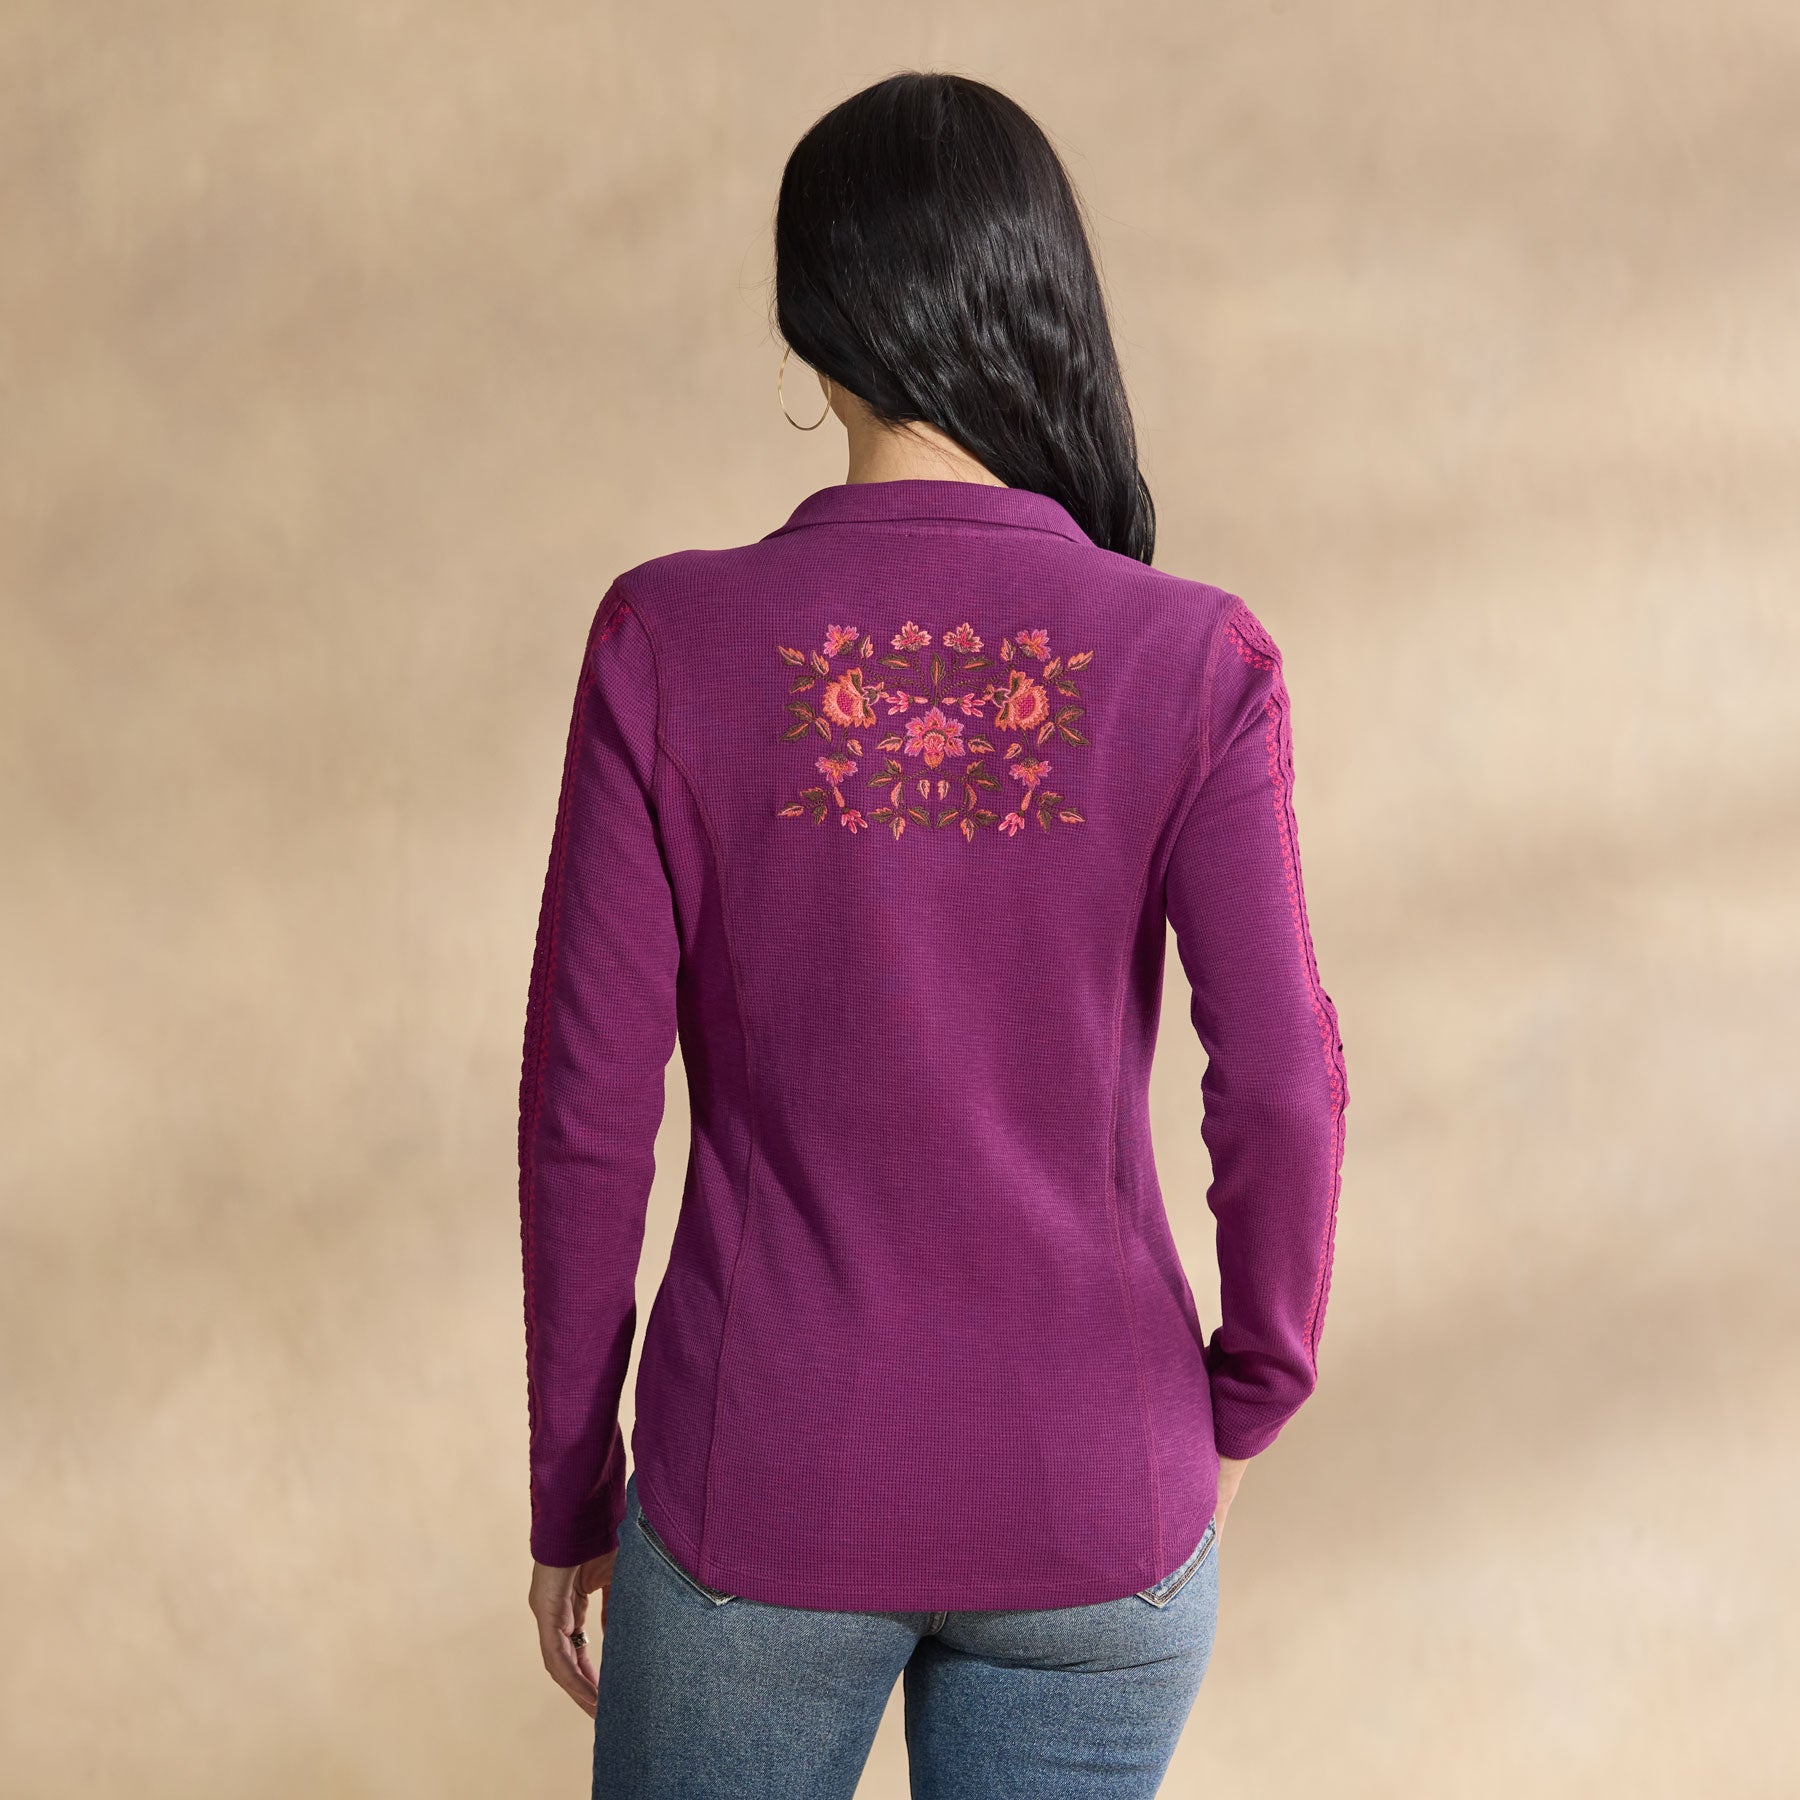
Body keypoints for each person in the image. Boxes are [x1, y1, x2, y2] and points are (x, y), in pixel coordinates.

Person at [516, 70, 1349, 1799]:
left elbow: (585, 1115)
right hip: (1101, 1492)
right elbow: (1283, 1087)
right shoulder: (1194, 660)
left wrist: (571, 1484)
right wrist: (1247, 1399)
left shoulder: (669, 641)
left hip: (763, 1489)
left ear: (812, 336)